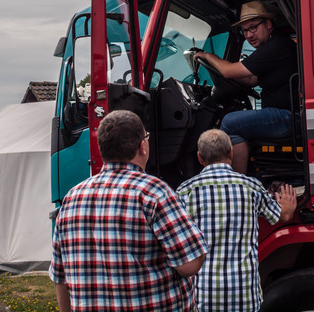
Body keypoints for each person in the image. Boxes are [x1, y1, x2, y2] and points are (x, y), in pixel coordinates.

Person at [49, 110, 208, 312]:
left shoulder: (72, 198)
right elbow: (190, 264)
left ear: (102, 149)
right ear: (142, 146)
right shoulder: (154, 193)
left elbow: (60, 277)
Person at [177, 129, 297, 312]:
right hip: (244, 298)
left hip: (204, 297)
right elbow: (282, 216)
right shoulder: (251, 187)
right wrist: (287, 206)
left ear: (200, 158)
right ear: (231, 152)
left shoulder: (185, 191)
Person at [194, 1, 298, 173]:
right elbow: (250, 79)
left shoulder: (275, 46)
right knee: (236, 127)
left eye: (253, 28)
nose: (249, 35)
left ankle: (238, 183)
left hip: (288, 117)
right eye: (245, 31)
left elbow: (228, 71)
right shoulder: (271, 47)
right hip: (285, 115)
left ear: (268, 24)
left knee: (230, 122)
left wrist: (206, 55)